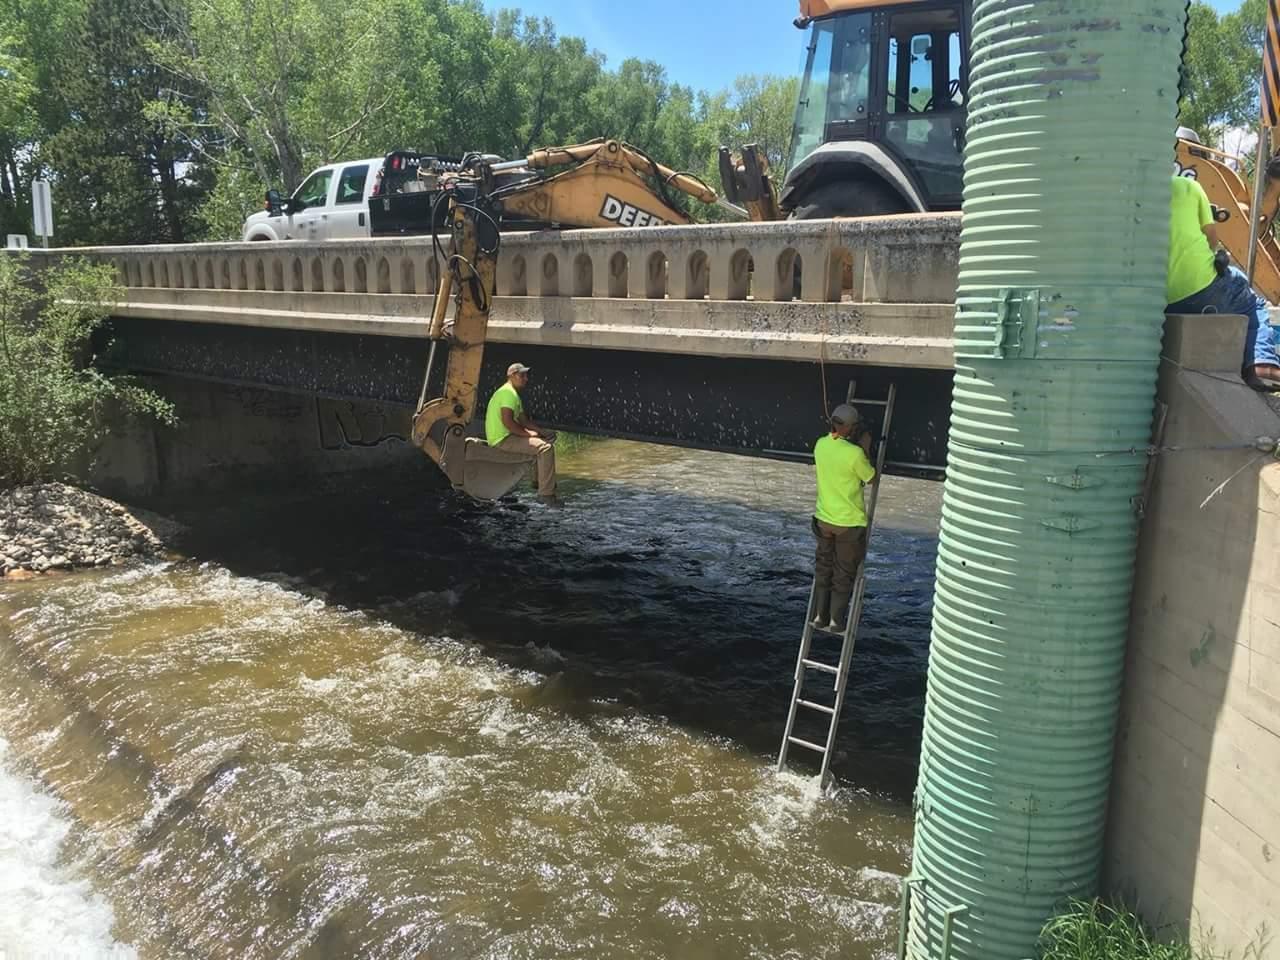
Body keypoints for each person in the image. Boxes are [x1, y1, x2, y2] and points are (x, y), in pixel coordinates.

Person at [1166, 173, 1280, 391]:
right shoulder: (1189, 185)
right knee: (1250, 301)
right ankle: (1262, 363)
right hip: (1201, 286)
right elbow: (1211, 238)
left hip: (1157, 296)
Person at [810, 403, 876, 631]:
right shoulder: (855, 454)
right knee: (843, 573)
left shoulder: (820, 445)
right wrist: (866, 448)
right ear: (850, 428)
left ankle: (820, 616)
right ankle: (837, 621)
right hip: (848, 523)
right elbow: (870, 478)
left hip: (824, 520)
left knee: (824, 568)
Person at [484, 362, 559, 502]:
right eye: (522, 375)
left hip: (507, 436)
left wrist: (542, 432)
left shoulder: (513, 395)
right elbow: (508, 422)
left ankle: (538, 483)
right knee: (545, 448)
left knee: (544, 441)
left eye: (526, 375)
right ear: (512, 376)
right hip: (502, 440)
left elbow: (524, 421)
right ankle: (546, 495)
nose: (526, 378)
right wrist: (528, 434)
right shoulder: (508, 393)